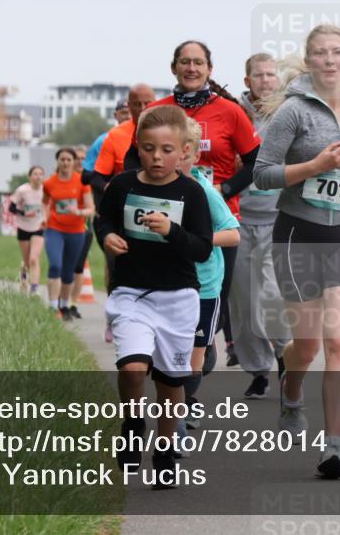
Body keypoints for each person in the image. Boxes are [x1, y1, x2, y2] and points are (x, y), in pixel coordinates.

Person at [253, 24, 340, 479]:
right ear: (309, 62)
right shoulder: (292, 112)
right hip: (299, 236)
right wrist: (315, 166)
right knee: (307, 346)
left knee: (339, 340)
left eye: (337, 53)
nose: (329, 60)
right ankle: (292, 392)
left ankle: (334, 446)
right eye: (320, 54)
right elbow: (264, 174)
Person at [94, 104, 213, 488]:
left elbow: (202, 249)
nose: (157, 157)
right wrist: (107, 238)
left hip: (178, 298)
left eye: (166, 150)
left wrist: (171, 231)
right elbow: (104, 220)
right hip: (132, 293)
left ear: (183, 152)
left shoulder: (192, 194)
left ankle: (164, 448)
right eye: (148, 149)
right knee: (132, 368)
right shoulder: (124, 186)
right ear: (138, 148)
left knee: (169, 382)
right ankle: (132, 423)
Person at [148, 40, 263, 368]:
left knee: (211, 301)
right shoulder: (158, 111)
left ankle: (199, 364)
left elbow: (256, 163)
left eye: (198, 62)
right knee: (167, 300)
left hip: (216, 220)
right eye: (185, 62)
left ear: (209, 70)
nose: (191, 68)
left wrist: (221, 191)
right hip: (164, 219)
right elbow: (134, 160)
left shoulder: (230, 112)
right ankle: (174, 367)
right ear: (174, 68)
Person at [231, 53, 291, 399]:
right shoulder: (233, 114)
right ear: (247, 81)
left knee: (271, 297)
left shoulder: (290, 112)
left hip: (277, 216)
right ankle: (258, 371)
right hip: (238, 218)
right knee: (243, 303)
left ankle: (285, 360)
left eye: (271, 75)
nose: (266, 80)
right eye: (259, 75)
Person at [177, 117, 241, 429]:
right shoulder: (149, 188)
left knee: (193, 361)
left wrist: (197, 241)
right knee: (170, 357)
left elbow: (233, 234)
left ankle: (184, 411)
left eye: (179, 152)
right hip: (165, 284)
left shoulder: (205, 192)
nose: (168, 159)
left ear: (193, 155)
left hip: (203, 286)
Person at [89, 83, 158, 298]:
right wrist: (109, 186)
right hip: (124, 215)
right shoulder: (116, 135)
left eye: (148, 103)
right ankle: (116, 314)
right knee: (120, 269)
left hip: (160, 209)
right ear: (129, 107)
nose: (143, 108)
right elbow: (96, 176)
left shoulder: (168, 129)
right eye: (137, 104)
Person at [42, 148, 94, 319]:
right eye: (62, 159)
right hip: (54, 229)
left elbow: (90, 209)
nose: (65, 163)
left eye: (68, 160)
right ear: (58, 161)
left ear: (73, 162)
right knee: (55, 265)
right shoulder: (50, 183)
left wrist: (78, 212)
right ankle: (52, 306)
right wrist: (44, 217)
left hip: (76, 231)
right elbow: (44, 203)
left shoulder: (81, 182)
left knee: (68, 271)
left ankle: (65, 306)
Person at [9, 166, 46, 295]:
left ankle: (34, 290)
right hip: (23, 227)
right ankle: (23, 274)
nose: (38, 177)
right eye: (35, 174)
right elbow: (11, 208)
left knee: (34, 259)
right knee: (27, 261)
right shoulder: (23, 190)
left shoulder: (45, 190)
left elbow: (49, 206)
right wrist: (23, 212)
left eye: (41, 174)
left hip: (38, 227)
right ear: (30, 177)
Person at [70, 145, 96, 316]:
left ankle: (73, 303)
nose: (80, 161)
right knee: (63, 267)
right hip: (62, 228)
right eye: (76, 158)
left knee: (78, 267)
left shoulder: (90, 180)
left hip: (84, 228)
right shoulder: (63, 179)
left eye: (82, 158)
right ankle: (61, 301)